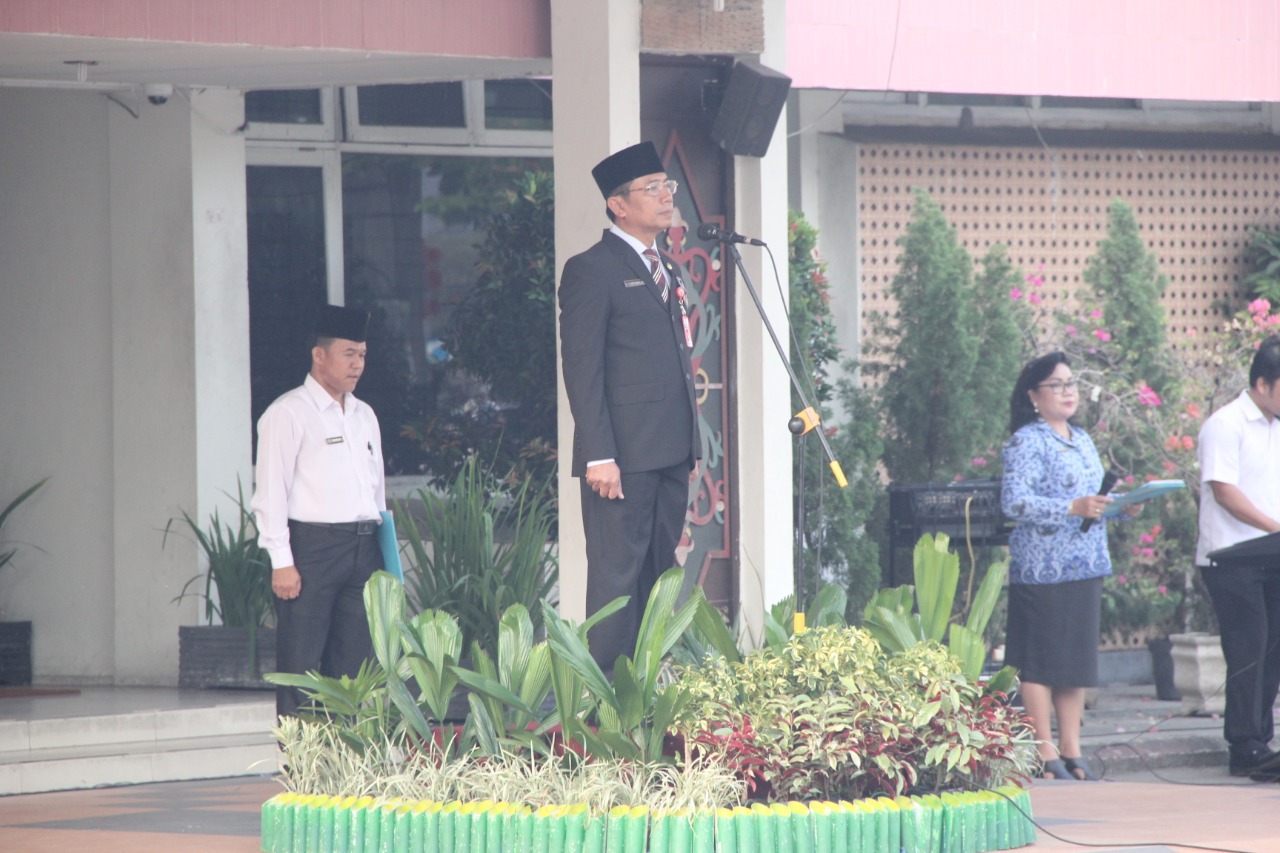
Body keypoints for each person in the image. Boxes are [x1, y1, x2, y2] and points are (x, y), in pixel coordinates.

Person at [558, 141, 700, 673]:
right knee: (618, 581)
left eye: (669, 186)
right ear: (618, 205)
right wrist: (599, 454)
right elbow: (583, 369)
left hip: (669, 453)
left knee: (659, 577)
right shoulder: (591, 270)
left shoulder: (669, 269)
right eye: (652, 188)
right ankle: (606, 709)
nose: (666, 196)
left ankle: (648, 693)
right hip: (620, 459)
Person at [1001, 352, 1138, 781]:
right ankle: (1044, 752)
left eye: (1071, 384)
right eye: (1056, 385)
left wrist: (1117, 508)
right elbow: (1015, 502)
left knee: (1074, 661)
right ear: (1033, 396)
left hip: (1085, 563)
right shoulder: (1027, 440)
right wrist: (1070, 506)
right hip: (1042, 568)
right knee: (1040, 660)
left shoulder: (1081, 438)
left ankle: (1072, 750)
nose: (1067, 392)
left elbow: (1089, 503)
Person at [250, 305, 386, 719]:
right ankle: (301, 766)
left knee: (354, 668)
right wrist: (281, 561)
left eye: (362, 354)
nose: (357, 364)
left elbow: (377, 492)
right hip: (313, 550)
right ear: (319, 355)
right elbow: (270, 492)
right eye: (348, 354)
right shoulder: (288, 413)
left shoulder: (364, 415)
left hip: (363, 548)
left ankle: (344, 762)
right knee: (302, 663)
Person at [1195, 335, 1280, 780]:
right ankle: (1243, 744)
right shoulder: (1226, 424)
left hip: (1272, 558)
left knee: (1273, 651)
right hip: (1230, 559)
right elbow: (1224, 492)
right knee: (1249, 648)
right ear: (1264, 383)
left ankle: (1261, 741)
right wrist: (1275, 528)